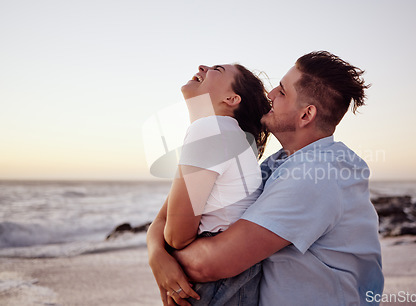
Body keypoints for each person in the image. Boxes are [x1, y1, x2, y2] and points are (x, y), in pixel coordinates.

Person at [148, 51, 384, 306]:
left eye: (282, 92)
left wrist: (165, 260)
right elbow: (165, 215)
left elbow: (212, 263)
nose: (270, 94)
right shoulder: (278, 164)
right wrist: (156, 253)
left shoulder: (316, 175)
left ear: (306, 115)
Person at [148, 63, 271, 305]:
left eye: (217, 69)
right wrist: (156, 255)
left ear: (231, 98)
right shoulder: (223, 135)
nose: (202, 67)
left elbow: (175, 236)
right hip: (230, 279)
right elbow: (162, 220)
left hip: (215, 282)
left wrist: (162, 252)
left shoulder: (212, 130)